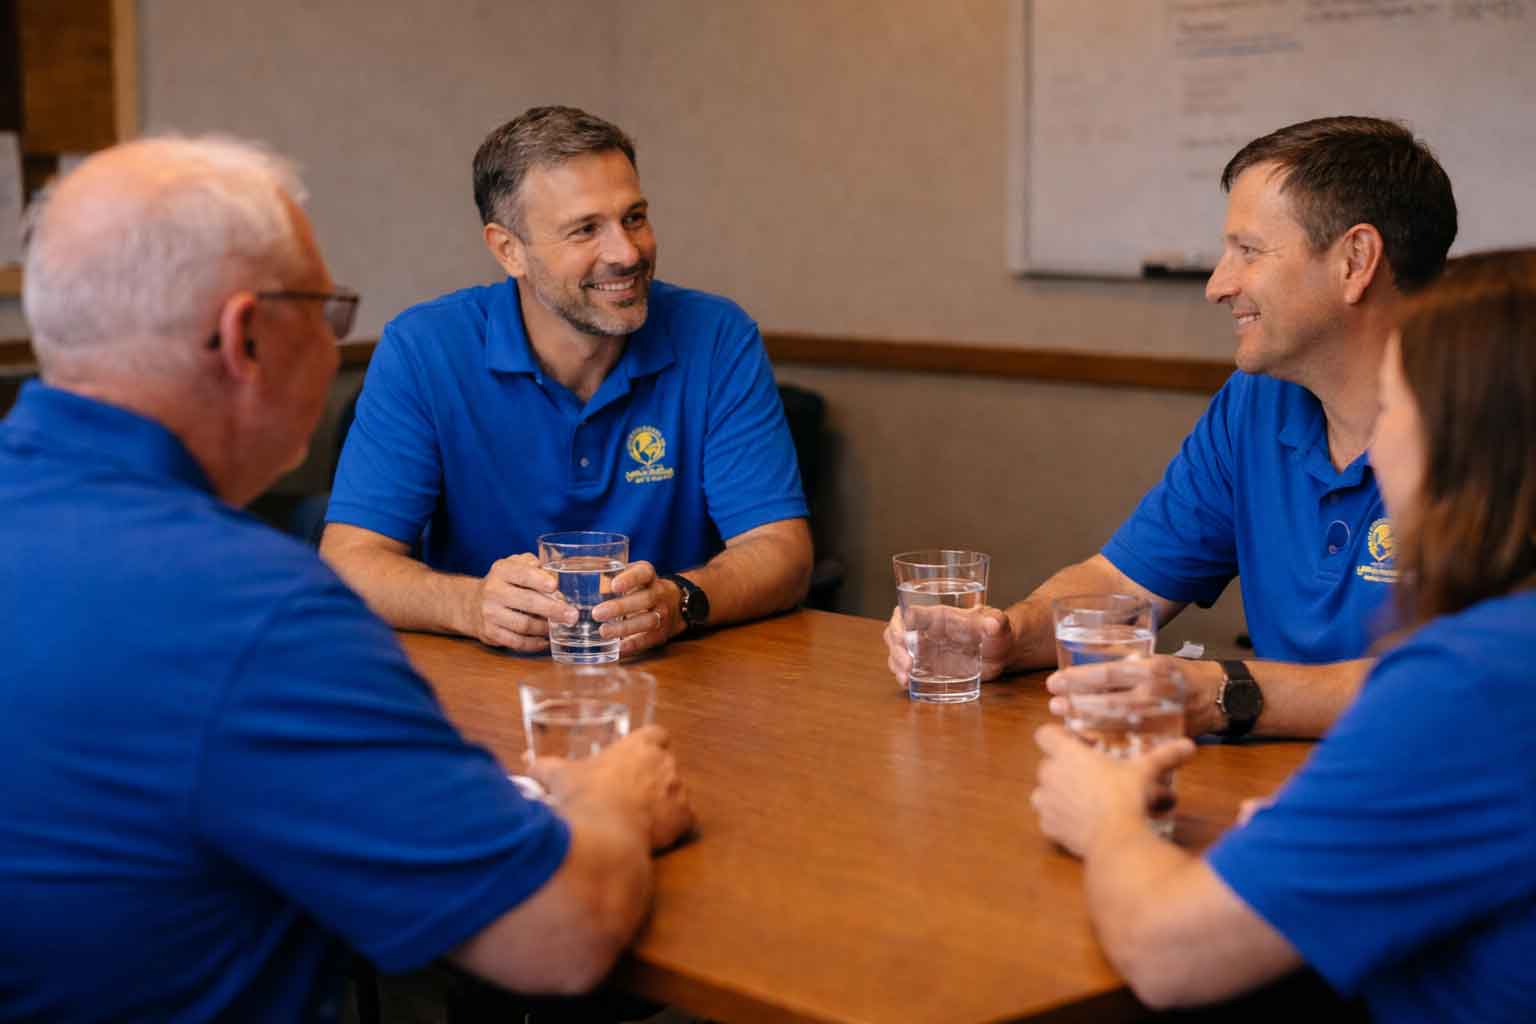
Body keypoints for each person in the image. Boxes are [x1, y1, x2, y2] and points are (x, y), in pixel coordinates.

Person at [0, 137, 693, 1022]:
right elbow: (560, 935)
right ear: (244, 337)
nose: (336, 353)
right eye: (327, 316)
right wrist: (612, 802)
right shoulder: (259, 615)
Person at [1031, 249, 1536, 1020]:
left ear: (1468, 443)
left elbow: (1171, 952)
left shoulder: (1474, 679)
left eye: (1393, 408)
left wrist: (1107, 819)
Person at [884, 116, 1458, 740]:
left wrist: (1228, 691)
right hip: (1292, 784)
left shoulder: (1494, 422)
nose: (1218, 285)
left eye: (1249, 251)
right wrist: (1006, 636)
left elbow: (1474, 684)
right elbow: (1123, 584)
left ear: (1356, 260)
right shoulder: (1255, 402)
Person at [321, 106, 812, 657]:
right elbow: (349, 560)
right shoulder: (424, 347)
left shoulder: (717, 335)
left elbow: (781, 550)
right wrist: (469, 604)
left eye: (634, 218)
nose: (627, 253)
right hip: (479, 688)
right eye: (585, 230)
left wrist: (678, 602)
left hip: (674, 678)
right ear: (509, 250)